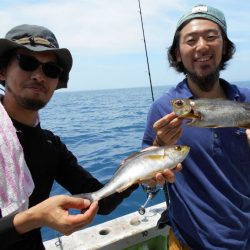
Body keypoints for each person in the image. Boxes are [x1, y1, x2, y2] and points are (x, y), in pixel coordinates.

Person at [0, 24, 175, 250]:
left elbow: (101, 201)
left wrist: (139, 171)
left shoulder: (50, 145)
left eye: (51, 70)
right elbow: (32, 219)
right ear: (2, 71)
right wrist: (32, 218)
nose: (38, 76)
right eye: (28, 62)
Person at [142, 4, 250, 250]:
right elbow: (147, 181)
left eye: (212, 37)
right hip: (188, 243)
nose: (202, 46)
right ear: (178, 54)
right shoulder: (163, 109)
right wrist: (160, 147)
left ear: (225, 47)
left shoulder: (247, 100)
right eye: (191, 40)